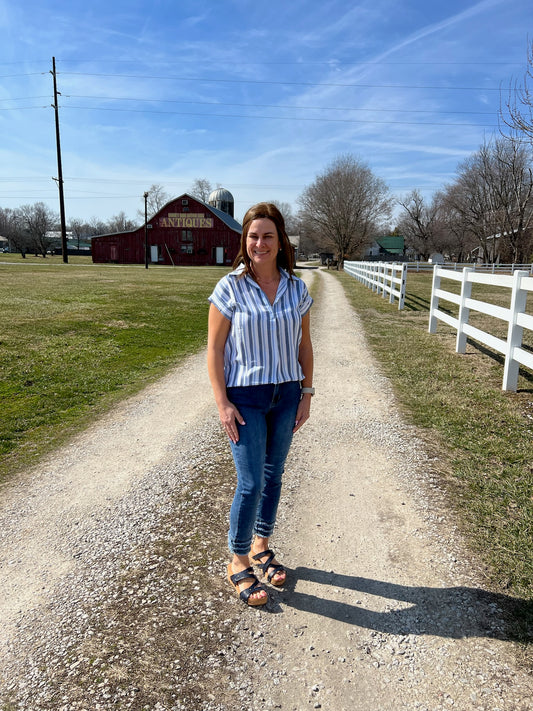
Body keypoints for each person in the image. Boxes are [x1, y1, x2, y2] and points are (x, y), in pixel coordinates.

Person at [207, 202, 314, 607]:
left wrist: (306, 392)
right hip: (246, 398)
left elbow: (304, 345)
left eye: (268, 235)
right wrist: (222, 403)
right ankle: (238, 560)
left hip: (286, 394)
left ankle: (260, 545)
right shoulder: (230, 288)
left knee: (274, 475)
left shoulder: (296, 288)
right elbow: (214, 350)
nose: (260, 243)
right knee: (250, 482)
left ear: (280, 240)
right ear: (244, 241)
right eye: (253, 236)